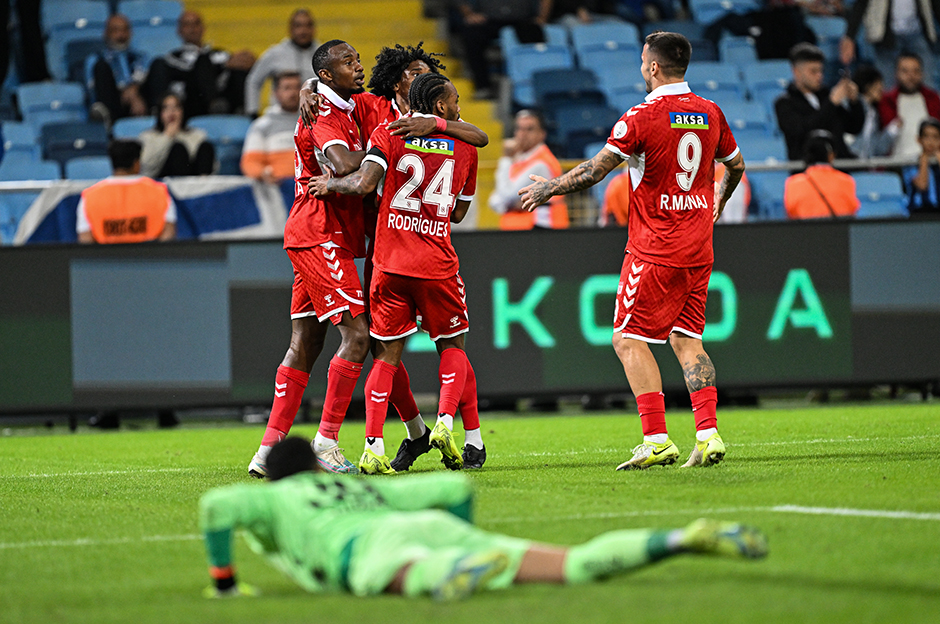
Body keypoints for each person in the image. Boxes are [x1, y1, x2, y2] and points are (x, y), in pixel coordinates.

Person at [519, 31, 746, 470]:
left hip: (655, 249)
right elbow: (734, 166)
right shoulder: (711, 111)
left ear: (654, 67)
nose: (642, 68)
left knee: (626, 338)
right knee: (687, 339)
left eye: (644, 61)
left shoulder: (641, 116)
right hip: (699, 248)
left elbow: (594, 171)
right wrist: (720, 198)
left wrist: (550, 187)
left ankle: (657, 439)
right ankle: (709, 433)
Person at [200, 437, 768, 600]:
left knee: (403, 575)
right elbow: (452, 484)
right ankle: (678, 537)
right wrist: (466, 530)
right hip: (438, 526)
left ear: (276, 478)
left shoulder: (276, 498)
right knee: (570, 565)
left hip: (367, 547)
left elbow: (216, 506)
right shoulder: (358, 489)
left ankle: (449, 574)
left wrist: (224, 585)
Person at [296, 42, 490, 472]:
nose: (418, 76)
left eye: (424, 71)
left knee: (386, 350)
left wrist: (330, 186)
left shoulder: (391, 131)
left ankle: (379, 444)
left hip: (388, 254)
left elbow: (364, 181)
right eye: (413, 71)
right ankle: (441, 426)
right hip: (430, 256)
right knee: (450, 345)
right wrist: (309, 86)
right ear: (398, 81)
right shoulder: (377, 108)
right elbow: (460, 206)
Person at [247, 40, 374, 479]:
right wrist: (383, 154)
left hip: (311, 232)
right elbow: (341, 165)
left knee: (306, 342)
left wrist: (307, 84)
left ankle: (268, 449)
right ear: (327, 75)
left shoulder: (337, 103)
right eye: (348, 62)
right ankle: (326, 442)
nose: (358, 66)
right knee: (357, 336)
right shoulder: (325, 116)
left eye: (357, 59)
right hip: (321, 233)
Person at [148, 10, 255, 118]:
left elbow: (239, 64)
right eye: (187, 25)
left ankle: (244, 111)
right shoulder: (173, 57)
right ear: (179, 30)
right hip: (193, 103)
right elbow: (188, 72)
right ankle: (213, 105)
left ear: (203, 28)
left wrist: (246, 59)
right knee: (202, 61)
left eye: (196, 24)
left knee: (241, 64)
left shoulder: (220, 54)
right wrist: (223, 66)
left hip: (225, 100)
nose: (192, 29)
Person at [775, 43, 865, 161]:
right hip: (807, 170)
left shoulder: (825, 96)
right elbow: (803, 131)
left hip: (840, 167)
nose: (819, 76)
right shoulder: (785, 103)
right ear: (796, 72)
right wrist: (831, 103)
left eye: (821, 71)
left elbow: (854, 127)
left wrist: (854, 102)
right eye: (813, 71)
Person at [76, 140, 177, 244]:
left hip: (107, 259)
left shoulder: (89, 197)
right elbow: (168, 234)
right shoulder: (160, 192)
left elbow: (85, 241)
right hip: (148, 258)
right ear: (136, 163)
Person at [488, 109, 569, 230]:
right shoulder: (520, 159)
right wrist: (510, 204)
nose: (523, 134)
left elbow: (506, 194)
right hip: (519, 230)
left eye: (529, 129)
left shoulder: (541, 163)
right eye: (519, 128)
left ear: (542, 134)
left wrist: (505, 159)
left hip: (540, 231)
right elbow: (494, 201)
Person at [840, 0, 940, 90]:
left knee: (928, 85)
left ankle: (930, 110)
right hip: (886, 36)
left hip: (918, 33)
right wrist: (850, 37)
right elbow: (861, 3)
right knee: (887, 87)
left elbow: (936, 4)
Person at [452, 0, 543, 99]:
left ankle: (533, 88)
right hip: (489, 19)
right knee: (472, 35)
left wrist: (542, 17)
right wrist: (469, 14)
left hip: (523, 20)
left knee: (535, 35)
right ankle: (483, 87)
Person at [245, 8, 318, 117]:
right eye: (298, 26)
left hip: (314, 118)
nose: (303, 30)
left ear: (313, 29)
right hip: (280, 118)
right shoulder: (275, 53)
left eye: (308, 25)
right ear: (290, 29)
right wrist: (253, 112)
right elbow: (254, 81)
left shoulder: (323, 55)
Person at [85, 14, 151, 124]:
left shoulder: (141, 57)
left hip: (140, 102)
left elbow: (145, 76)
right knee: (101, 68)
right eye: (115, 30)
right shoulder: (95, 59)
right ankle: (108, 123)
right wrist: (125, 92)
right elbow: (92, 88)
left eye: (125, 30)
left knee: (159, 65)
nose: (121, 35)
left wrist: (133, 92)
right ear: (106, 34)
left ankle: (157, 116)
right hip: (113, 103)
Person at [240, 72, 302, 184]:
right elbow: (250, 162)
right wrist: (262, 173)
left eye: (297, 87)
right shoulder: (262, 125)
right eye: (287, 88)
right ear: (276, 93)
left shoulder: (316, 121)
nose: (293, 93)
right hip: (277, 189)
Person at [784, 130, 860, 219]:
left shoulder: (792, 183)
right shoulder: (847, 181)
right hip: (838, 232)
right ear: (831, 155)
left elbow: (791, 213)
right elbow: (851, 210)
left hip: (805, 232)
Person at [139, 92, 216, 178]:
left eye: (176, 107)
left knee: (206, 146)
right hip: (165, 180)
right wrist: (167, 136)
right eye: (166, 108)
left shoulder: (197, 134)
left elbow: (212, 165)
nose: (171, 112)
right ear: (160, 113)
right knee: (178, 149)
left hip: (195, 179)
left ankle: (204, 186)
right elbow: (146, 167)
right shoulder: (149, 136)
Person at [879, 53, 940, 159]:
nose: (911, 76)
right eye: (905, 71)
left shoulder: (933, 99)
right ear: (896, 74)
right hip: (896, 163)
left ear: (922, 73)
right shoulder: (886, 101)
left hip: (931, 162)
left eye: (915, 71)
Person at [850, 64, 898, 158]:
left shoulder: (873, 114)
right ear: (868, 85)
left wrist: (891, 131)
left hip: (865, 167)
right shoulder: (850, 104)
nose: (882, 87)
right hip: (848, 163)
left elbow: (877, 149)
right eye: (879, 83)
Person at [902, 117, 940, 214]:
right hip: (919, 212)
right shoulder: (912, 163)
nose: (930, 142)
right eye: (926, 137)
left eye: (935, 137)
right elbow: (922, 185)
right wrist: (924, 161)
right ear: (919, 139)